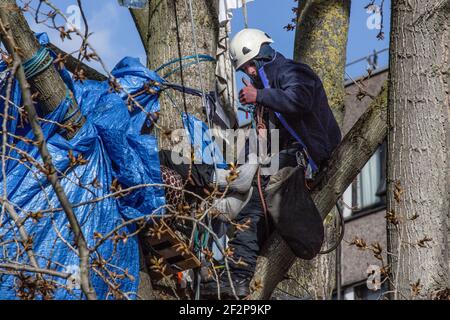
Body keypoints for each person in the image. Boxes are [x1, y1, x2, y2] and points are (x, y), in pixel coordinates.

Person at [201, 28, 342, 298]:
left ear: (262, 57)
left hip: (305, 157)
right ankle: (243, 278)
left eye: (251, 66)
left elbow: (299, 100)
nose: (249, 73)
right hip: (285, 159)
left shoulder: (294, 72)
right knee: (250, 210)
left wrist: (259, 97)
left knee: (253, 206)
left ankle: (240, 277)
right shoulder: (267, 89)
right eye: (246, 69)